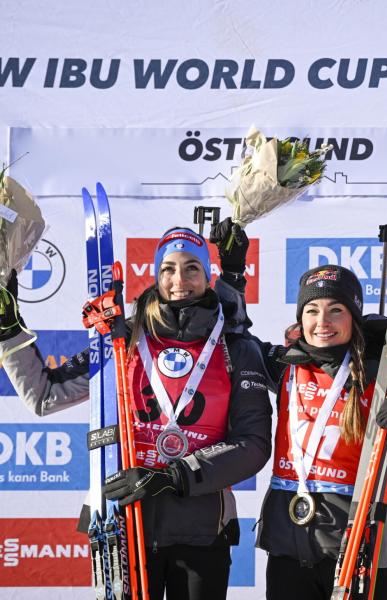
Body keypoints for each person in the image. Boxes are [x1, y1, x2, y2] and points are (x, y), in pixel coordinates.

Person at [0, 227, 272, 600]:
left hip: (202, 529)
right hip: (122, 522)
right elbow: (44, 395)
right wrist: (8, 332)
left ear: (209, 276)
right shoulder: (122, 339)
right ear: (157, 275)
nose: (180, 280)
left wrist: (171, 477)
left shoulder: (235, 348)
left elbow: (252, 445)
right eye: (169, 269)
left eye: (192, 268)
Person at [209, 218, 387, 600]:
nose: (322, 322)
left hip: (359, 545)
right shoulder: (285, 365)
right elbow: (232, 336)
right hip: (287, 545)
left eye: (336, 310)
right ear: (301, 317)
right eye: (312, 310)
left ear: (354, 317)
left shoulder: (384, 376)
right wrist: (231, 274)